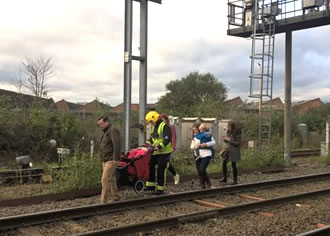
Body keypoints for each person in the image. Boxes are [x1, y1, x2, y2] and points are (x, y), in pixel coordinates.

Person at [145, 111, 172, 195]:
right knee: (150, 165)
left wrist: (159, 146)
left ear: (154, 119)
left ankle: (160, 189)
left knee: (161, 168)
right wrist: (147, 145)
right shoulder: (154, 127)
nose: (150, 123)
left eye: (150, 121)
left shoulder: (164, 126)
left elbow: (167, 139)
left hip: (164, 152)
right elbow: (152, 139)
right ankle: (150, 185)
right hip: (156, 152)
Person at [97, 115, 121, 203]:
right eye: (99, 124)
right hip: (105, 159)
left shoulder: (112, 130)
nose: (100, 126)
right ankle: (116, 196)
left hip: (111, 159)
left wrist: (115, 158)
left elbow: (116, 144)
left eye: (101, 124)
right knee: (111, 178)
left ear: (107, 122)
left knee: (105, 179)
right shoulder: (106, 131)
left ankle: (103, 201)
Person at [191, 123, 215, 189]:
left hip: (206, 154)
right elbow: (192, 146)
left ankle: (209, 184)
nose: (194, 131)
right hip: (197, 155)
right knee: (199, 170)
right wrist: (194, 146)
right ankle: (202, 185)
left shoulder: (206, 134)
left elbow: (213, 142)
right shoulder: (195, 137)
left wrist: (206, 144)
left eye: (195, 129)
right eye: (193, 130)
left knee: (202, 169)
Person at [160, 114, 180, 185]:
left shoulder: (170, 127)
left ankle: (162, 182)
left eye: (163, 120)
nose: (162, 121)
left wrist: (173, 147)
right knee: (165, 164)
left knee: (164, 164)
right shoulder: (159, 127)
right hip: (160, 148)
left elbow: (173, 137)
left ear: (166, 120)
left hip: (168, 148)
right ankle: (175, 175)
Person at [220, 121, 242, 185]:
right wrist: (225, 139)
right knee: (224, 163)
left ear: (233, 127)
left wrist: (230, 140)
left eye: (230, 127)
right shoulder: (228, 131)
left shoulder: (238, 132)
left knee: (233, 164)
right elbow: (226, 141)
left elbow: (238, 143)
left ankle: (235, 180)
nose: (229, 128)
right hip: (228, 149)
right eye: (228, 127)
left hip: (235, 150)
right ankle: (225, 178)